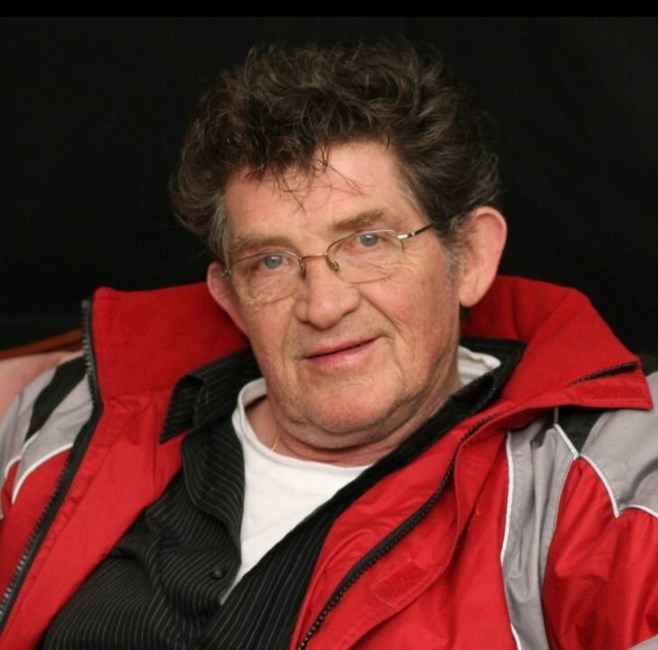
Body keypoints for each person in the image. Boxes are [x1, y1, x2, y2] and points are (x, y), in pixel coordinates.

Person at [0, 38, 657, 650]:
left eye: (368, 241)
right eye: (273, 261)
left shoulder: (605, 473)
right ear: (230, 297)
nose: (322, 305)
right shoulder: (67, 416)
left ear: (470, 256)